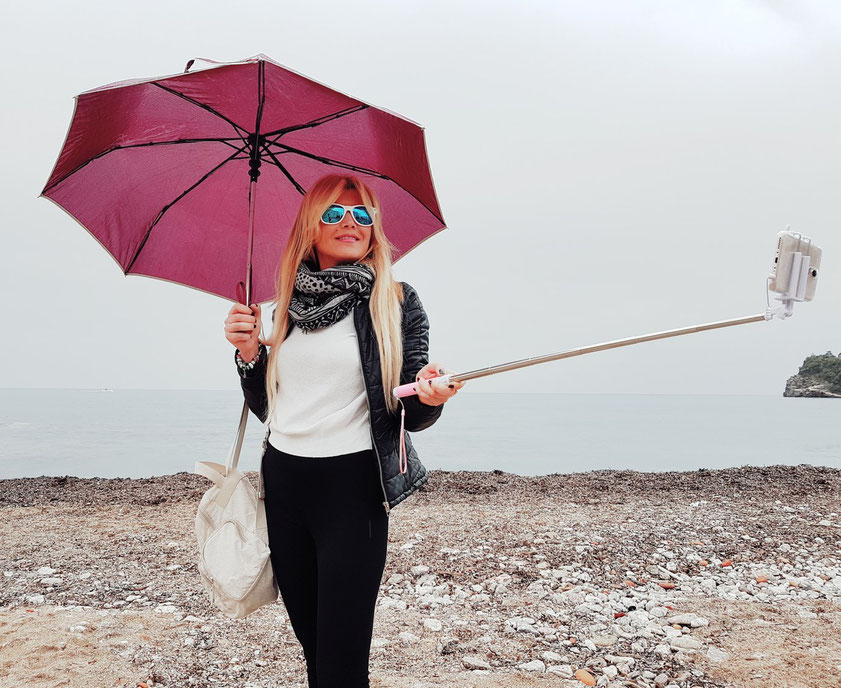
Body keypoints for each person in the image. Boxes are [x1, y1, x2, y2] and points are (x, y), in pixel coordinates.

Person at [222, 173, 464, 688]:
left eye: (362, 214)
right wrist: (248, 354)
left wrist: (429, 395)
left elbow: (410, 409)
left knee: (342, 657)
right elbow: (270, 407)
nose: (350, 222)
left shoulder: (395, 300)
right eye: (334, 213)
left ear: (375, 229)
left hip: (352, 488)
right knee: (314, 647)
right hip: (284, 484)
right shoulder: (281, 306)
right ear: (311, 227)